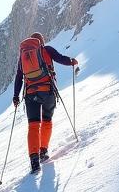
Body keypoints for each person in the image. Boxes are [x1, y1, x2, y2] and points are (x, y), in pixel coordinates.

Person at [12, 32, 78, 173]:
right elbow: (61, 59)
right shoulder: (46, 50)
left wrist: (15, 96)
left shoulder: (23, 57)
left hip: (30, 94)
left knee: (33, 125)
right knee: (47, 120)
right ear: (41, 42)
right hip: (47, 91)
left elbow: (19, 76)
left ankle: (34, 160)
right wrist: (72, 61)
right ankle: (43, 151)